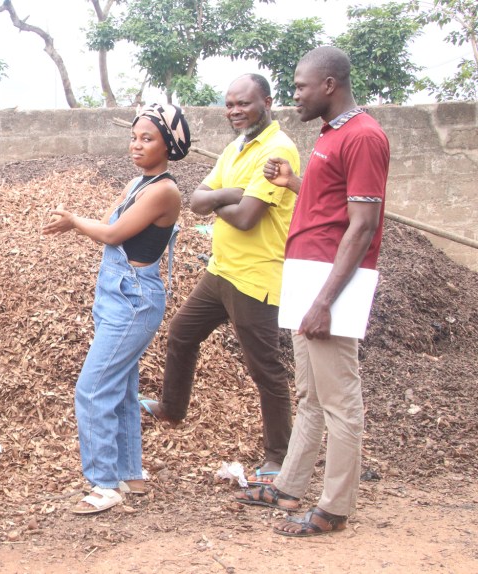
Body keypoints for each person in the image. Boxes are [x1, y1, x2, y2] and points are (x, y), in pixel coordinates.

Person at [235, 46, 389, 538]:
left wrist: (325, 301)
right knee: (310, 395)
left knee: (340, 400)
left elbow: (362, 226)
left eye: (301, 86)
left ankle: (335, 506)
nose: (295, 95)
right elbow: (331, 206)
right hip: (308, 276)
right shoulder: (331, 133)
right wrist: (292, 182)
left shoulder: (364, 136)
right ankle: (289, 486)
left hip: (329, 284)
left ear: (328, 84)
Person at [140, 74, 300, 485]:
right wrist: (232, 194)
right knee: (182, 334)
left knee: (265, 368)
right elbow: (196, 201)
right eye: (229, 104)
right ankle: (172, 409)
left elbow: (247, 219)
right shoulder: (236, 147)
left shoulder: (279, 150)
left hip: (256, 274)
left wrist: (219, 199)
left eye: (244, 103)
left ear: (267, 102)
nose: (235, 111)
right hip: (221, 269)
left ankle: (279, 456)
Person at [42, 103, 191, 514]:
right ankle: (129, 473)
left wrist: (75, 221)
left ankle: (103, 484)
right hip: (115, 291)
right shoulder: (137, 183)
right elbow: (111, 229)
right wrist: (76, 222)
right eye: (133, 137)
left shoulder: (164, 191)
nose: (136, 145)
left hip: (134, 297)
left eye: (147, 139)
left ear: (168, 145)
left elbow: (112, 234)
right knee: (122, 386)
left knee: (92, 388)